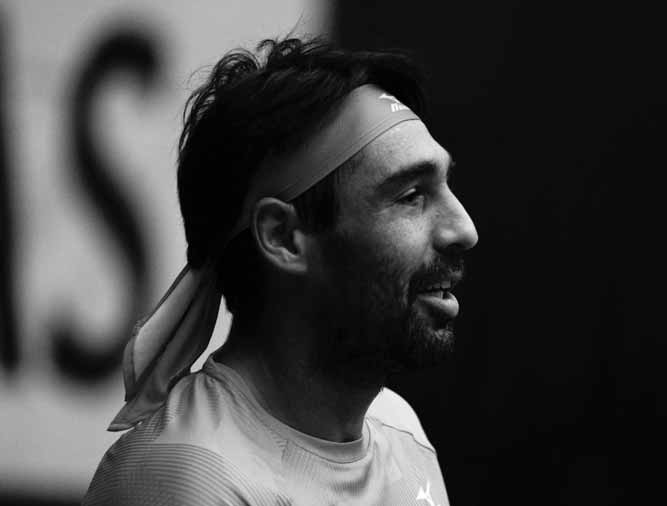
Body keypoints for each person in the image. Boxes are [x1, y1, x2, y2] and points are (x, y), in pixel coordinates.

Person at [83, 35, 478, 505]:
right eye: (411, 196)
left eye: (445, 185)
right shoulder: (188, 476)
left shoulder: (398, 429)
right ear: (284, 237)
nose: (464, 229)